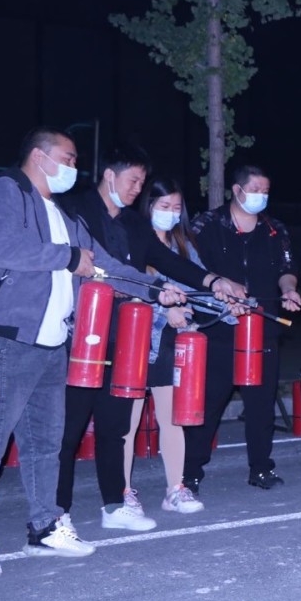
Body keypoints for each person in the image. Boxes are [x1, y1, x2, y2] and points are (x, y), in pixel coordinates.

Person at [0, 127, 184, 576]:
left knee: (45, 444)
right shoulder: (6, 192)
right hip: (7, 340)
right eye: (68, 158)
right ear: (39, 156)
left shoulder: (62, 213)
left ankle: (44, 527)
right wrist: (66, 257)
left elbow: (104, 265)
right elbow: (2, 247)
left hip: (54, 344)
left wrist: (155, 288)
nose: (74, 168)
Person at [57, 147, 243, 533]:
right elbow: (106, 265)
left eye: (142, 182)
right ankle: (55, 512)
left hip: (126, 333)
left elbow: (169, 260)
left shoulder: (133, 224)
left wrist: (213, 282)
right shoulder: (77, 212)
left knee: (116, 423)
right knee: (69, 426)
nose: (136, 188)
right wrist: (155, 288)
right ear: (110, 175)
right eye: (133, 181)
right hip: (83, 334)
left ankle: (115, 504)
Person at [184, 165, 301, 492]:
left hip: (262, 328)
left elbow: (287, 268)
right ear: (237, 190)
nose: (261, 197)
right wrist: (218, 295)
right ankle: (190, 471)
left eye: (266, 191)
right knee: (209, 403)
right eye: (255, 190)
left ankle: (261, 468)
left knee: (261, 404)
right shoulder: (206, 225)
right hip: (219, 327)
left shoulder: (274, 229)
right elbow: (191, 269)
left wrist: (289, 289)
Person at [121, 176, 223, 517]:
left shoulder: (184, 245)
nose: (170, 213)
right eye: (163, 207)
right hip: (136, 341)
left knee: (173, 419)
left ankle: (175, 489)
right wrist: (166, 308)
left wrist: (222, 302)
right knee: (127, 422)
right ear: (148, 206)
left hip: (171, 344)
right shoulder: (135, 242)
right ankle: (122, 491)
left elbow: (198, 283)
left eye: (176, 208)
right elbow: (129, 287)